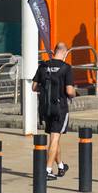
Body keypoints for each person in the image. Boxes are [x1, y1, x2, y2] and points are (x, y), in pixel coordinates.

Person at [32, 42, 77, 179]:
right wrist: (74, 92)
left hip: (45, 108)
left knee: (54, 138)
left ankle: (61, 166)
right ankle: (48, 170)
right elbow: (69, 91)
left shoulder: (43, 66)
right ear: (64, 53)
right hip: (59, 108)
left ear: (54, 52)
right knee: (55, 138)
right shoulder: (66, 68)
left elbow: (34, 87)